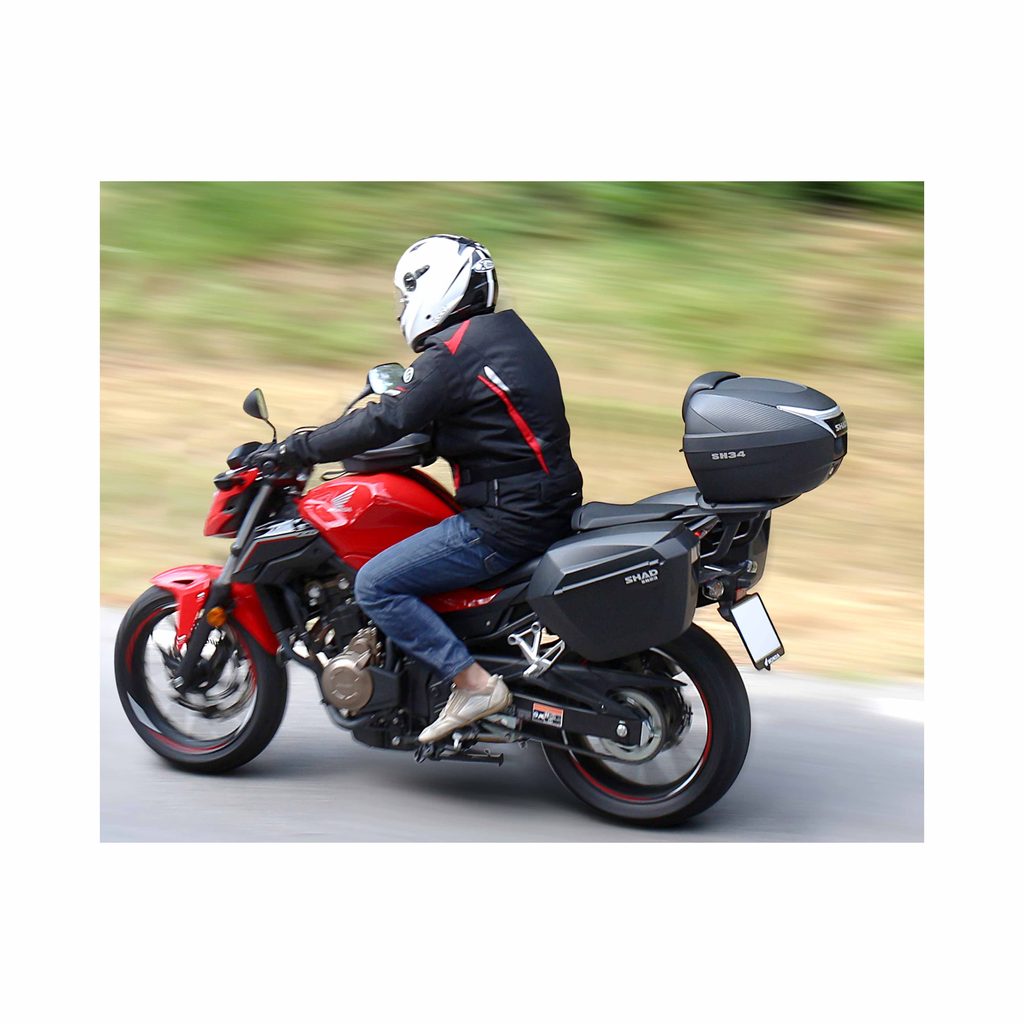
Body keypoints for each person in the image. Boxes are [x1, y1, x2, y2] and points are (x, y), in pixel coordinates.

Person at [277, 234, 583, 743]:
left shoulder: (452, 354)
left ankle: (473, 685)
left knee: (376, 584)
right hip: (545, 504)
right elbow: (473, 421)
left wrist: (301, 447)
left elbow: (389, 417)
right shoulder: (505, 336)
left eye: (406, 295)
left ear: (434, 287)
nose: (402, 309)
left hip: (507, 522)